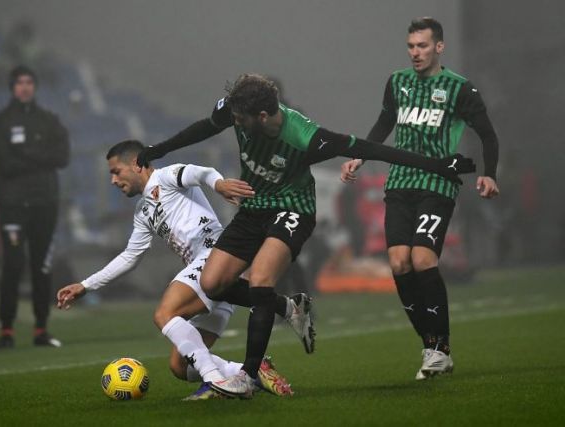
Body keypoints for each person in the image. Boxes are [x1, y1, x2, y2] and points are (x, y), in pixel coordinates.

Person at [137, 73, 476, 398]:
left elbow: (375, 149)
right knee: (213, 284)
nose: (235, 123)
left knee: (260, 279)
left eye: (241, 119)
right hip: (255, 207)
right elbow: (205, 127)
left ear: (264, 114)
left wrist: (440, 165)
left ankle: (248, 376)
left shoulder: (305, 136)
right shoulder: (235, 109)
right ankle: (290, 307)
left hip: (293, 210)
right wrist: (160, 149)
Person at [56, 140, 301, 400]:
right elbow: (130, 256)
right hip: (206, 281)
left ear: (137, 164)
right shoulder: (143, 211)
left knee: (165, 313)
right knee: (180, 367)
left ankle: (216, 381)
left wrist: (218, 184)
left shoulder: (166, 176)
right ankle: (250, 371)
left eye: (116, 172)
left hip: (214, 259)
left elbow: (202, 172)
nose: (113, 181)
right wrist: (86, 285)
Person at [340, 17, 500, 380]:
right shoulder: (397, 82)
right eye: (411, 46)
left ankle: (440, 348)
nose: (415, 52)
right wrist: (360, 156)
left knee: (422, 258)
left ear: (439, 47)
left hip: (438, 183)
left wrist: (489, 173)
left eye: (423, 46)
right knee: (398, 263)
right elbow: (384, 125)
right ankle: (431, 345)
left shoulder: (460, 89)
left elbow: (488, 134)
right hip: (400, 182)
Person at [0, 65, 70, 349]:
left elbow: (63, 157)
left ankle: (40, 330)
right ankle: (7, 330)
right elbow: (6, 163)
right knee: (12, 265)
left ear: (35, 86)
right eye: (20, 82)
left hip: (45, 203)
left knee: (42, 267)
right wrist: (41, 155)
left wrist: (24, 152)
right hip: (12, 204)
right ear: (12, 86)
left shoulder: (50, 120)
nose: (25, 87)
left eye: (29, 82)